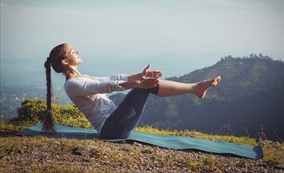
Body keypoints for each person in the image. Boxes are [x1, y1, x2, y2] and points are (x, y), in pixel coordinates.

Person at [43, 43, 221, 139]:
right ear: (65, 62)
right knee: (144, 87)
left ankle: (195, 88)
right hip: (112, 130)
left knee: (146, 84)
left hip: (115, 124)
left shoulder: (81, 78)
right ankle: (195, 88)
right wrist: (138, 84)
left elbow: (110, 79)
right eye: (73, 51)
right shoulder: (72, 85)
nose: (78, 51)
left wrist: (138, 75)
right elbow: (105, 87)